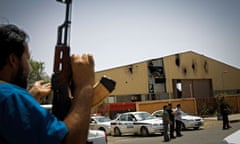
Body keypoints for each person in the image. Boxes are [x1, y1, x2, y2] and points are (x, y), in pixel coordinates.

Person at [0, 24, 95, 144]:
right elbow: (69, 141)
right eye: (27, 59)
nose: (29, 67)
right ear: (13, 60)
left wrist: (30, 98)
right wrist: (84, 86)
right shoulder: (10, 96)